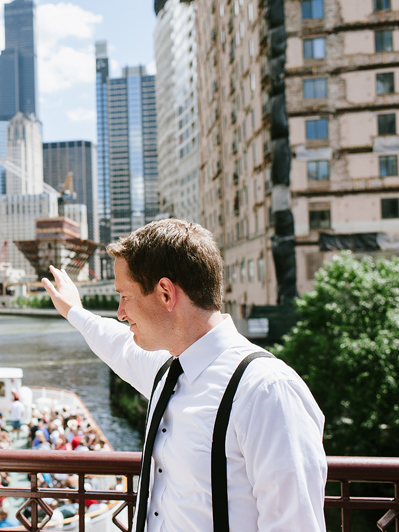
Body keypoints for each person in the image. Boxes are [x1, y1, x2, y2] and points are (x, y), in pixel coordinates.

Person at [42, 219, 327, 532]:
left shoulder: (266, 390)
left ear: (165, 293)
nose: (121, 312)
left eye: (126, 296)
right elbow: (115, 343)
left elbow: (295, 524)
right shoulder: (166, 370)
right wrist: (74, 310)